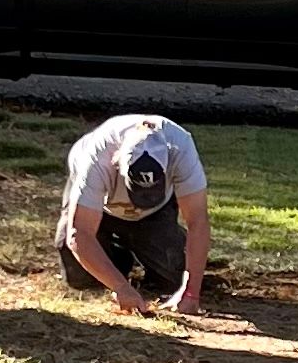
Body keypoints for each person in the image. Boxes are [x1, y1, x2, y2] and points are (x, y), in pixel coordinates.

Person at [55, 112, 209, 316]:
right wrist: (121, 287)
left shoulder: (181, 149)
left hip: (155, 212)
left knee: (173, 276)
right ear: (117, 163)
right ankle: (118, 256)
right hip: (99, 208)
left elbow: (198, 221)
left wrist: (191, 294)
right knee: (79, 277)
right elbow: (79, 232)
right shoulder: (96, 158)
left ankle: (146, 245)